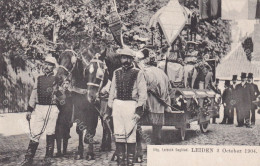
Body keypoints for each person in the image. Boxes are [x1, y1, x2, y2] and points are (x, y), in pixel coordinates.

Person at [105, 47, 147, 166]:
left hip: (131, 105)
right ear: (120, 59)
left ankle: (130, 162)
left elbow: (143, 93)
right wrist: (109, 109)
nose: (125, 60)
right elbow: (112, 91)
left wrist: (138, 110)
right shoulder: (116, 72)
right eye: (123, 58)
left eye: (128, 58)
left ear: (131, 59)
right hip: (118, 106)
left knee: (130, 135)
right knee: (119, 134)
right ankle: (121, 162)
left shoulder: (138, 73)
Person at [21, 56, 59, 166]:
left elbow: (62, 95)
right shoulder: (39, 78)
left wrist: (58, 92)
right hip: (39, 108)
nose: (46, 66)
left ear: (53, 67)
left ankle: (48, 157)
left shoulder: (57, 78)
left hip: (52, 108)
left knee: (50, 132)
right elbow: (33, 94)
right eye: (45, 64)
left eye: (49, 65)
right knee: (35, 132)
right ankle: (28, 158)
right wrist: (29, 110)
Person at [55, 79, 73, 157]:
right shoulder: (58, 93)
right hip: (59, 116)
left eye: (67, 83)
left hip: (67, 116)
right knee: (58, 134)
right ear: (61, 84)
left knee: (66, 133)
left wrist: (72, 118)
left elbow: (72, 107)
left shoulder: (70, 94)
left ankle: (64, 151)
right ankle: (59, 151)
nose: (66, 85)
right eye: (64, 83)